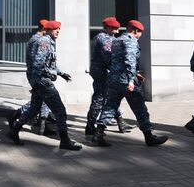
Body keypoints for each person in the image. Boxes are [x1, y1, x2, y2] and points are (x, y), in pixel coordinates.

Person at [7, 20, 82, 151]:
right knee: (60, 110)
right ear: (47, 30)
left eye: (59, 29)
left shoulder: (47, 42)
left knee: (34, 109)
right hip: (43, 82)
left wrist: (62, 74)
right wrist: (37, 83)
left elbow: (48, 63)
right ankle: (65, 141)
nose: (58, 31)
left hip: (39, 81)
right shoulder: (44, 42)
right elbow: (38, 64)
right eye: (55, 29)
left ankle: (14, 131)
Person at [92, 20, 168, 147]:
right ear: (135, 31)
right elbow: (130, 60)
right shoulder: (131, 40)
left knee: (109, 107)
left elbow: (114, 60)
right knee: (140, 109)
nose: (140, 36)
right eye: (140, 33)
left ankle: (97, 135)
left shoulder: (116, 40)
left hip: (114, 79)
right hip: (126, 81)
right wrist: (132, 79)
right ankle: (149, 137)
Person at [85, 17, 133, 135]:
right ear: (107, 28)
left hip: (100, 70)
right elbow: (108, 57)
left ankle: (120, 121)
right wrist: (119, 69)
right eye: (114, 29)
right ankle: (90, 126)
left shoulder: (101, 37)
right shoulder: (105, 39)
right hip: (102, 71)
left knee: (111, 96)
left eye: (117, 29)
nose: (116, 32)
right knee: (100, 98)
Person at [8, 19, 54, 135]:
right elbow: (36, 61)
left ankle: (40, 124)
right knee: (39, 101)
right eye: (48, 29)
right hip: (37, 74)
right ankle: (17, 116)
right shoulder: (37, 40)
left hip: (39, 74)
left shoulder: (37, 39)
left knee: (40, 100)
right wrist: (37, 79)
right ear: (44, 29)